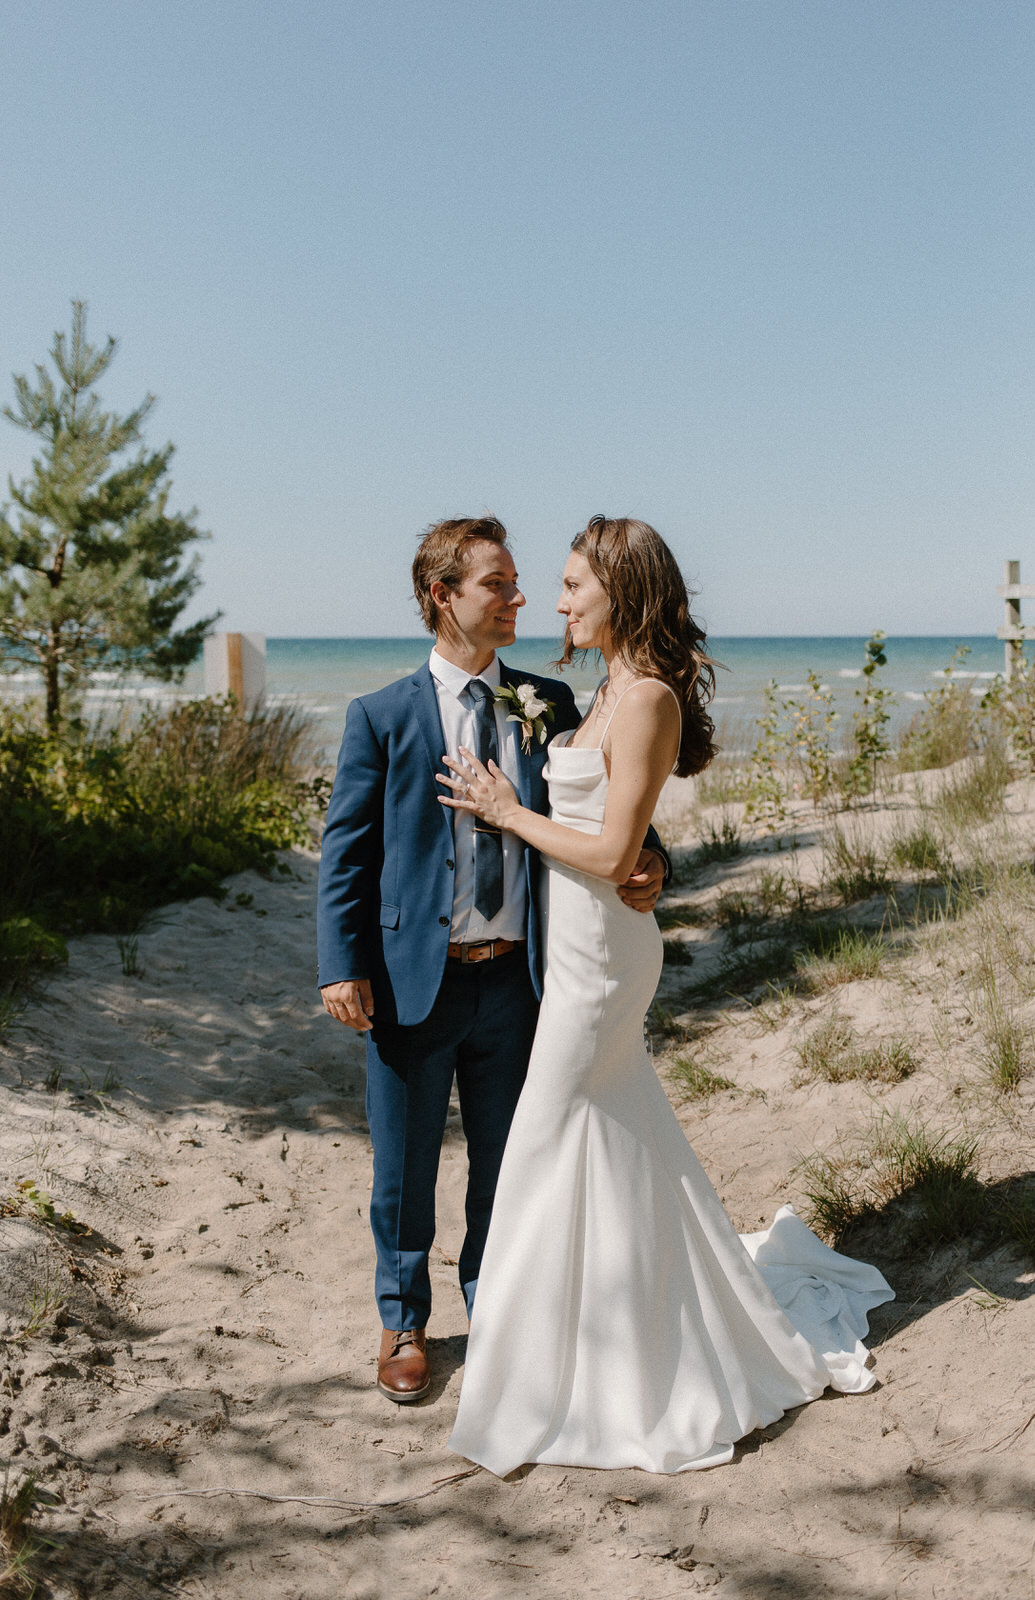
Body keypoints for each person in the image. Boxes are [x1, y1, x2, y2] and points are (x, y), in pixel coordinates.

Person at [441, 516, 893, 1476]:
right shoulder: (601, 691)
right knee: (608, 1139)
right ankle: (617, 1343)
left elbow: (610, 853)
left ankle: (542, 1380)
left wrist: (506, 811)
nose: (554, 603)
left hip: (603, 956)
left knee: (544, 1141)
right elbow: (619, 837)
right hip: (570, 945)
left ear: (620, 588)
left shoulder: (644, 697)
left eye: (570, 586)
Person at [316, 516, 669, 1404]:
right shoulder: (382, 716)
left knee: (507, 1160)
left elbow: (611, 807)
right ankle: (403, 1320)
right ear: (443, 596)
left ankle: (494, 1300)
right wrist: (338, 964)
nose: (520, 600)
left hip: (522, 978)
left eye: (521, 584)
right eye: (498, 585)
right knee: (402, 1165)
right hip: (411, 982)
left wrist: (657, 860)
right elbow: (346, 855)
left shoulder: (546, 698)